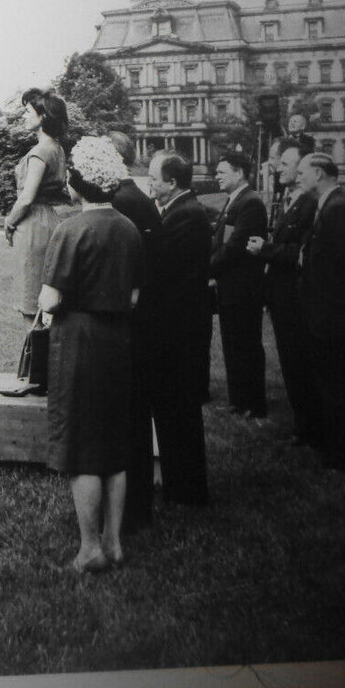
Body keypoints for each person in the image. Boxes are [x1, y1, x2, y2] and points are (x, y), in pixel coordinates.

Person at [37, 135, 144, 574]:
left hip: (79, 343)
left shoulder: (69, 230)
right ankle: (115, 543)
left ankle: (89, 549)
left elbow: (48, 299)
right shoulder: (129, 228)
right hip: (119, 340)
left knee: (82, 448)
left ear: (78, 184)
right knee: (115, 445)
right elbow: (134, 296)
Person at [145, 150, 212, 508]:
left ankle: (187, 491)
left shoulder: (186, 216)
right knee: (174, 412)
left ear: (172, 183)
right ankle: (180, 484)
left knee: (179, 411)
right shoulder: (180, 211)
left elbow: (163, 269)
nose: (151, 184)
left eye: (154, 178)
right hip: (178, 330)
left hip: (179, 334)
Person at [246, 138, 321, 448]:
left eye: (287, 164)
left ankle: (311, 428)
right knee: (291, 363)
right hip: (281, 296)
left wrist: (266, 249)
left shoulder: (310, 204)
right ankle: (303, 424)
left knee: (301, 363)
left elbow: (301, 252)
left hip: (295, 298)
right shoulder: (290, 199)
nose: (278, 168)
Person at [106, 131, 162, 533]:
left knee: (129, 418)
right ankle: (136, 504)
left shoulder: (123, 202)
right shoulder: (136, 197)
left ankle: (134, 508)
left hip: (132, 323)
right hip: (144, 320)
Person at [1, 89, 70, 397]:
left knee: (32, 304)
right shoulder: (56, 147)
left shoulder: (42, 149)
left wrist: (9, 220)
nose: (25, 116)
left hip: (36, 226)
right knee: (42, 301)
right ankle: (42, 373)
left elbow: (27, 197)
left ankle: (36, 376)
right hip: (48, 221)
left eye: (29, 111)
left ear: (44, 117)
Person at [295, 152, 345, 471]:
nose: (299, 177)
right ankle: (336, 448)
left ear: (318, 173)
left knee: (338, 386)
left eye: (303, 172)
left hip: (332, 317)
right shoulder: (328, 205)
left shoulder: (338, 207)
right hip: (322, 314)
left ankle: (344, 455)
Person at [210, 151, 269, 419]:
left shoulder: (250, 203)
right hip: (230, 287)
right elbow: (221, 240)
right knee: (233, 345)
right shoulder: (235, 201)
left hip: (243, 289)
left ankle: (253, 404)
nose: (216, 177)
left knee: (245, 345)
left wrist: (205, 269)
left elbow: (233, 247)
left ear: (239, 173)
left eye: (222, 172)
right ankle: (239, 400)